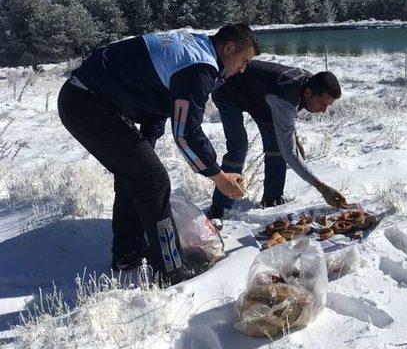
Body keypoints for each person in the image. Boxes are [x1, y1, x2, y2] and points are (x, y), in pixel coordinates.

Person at [57, 23, 259, 284]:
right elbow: (185, 132)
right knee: (153, 180)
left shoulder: (195, 48)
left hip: (88, 99)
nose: (243, 69)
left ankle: (127, 255)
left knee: (139, 176)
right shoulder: (200, 67)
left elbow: (155, 99)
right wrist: (219, 177)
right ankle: (170, 268)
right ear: (229, 48)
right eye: (244, 61)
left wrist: (146, 146)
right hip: (88, 104)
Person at [206, 60, 347, 220]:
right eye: (322, 104)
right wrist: (322, 188)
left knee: (277, 147)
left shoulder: (310, 83)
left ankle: (272, 200)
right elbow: (289, 152)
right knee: (238, 146)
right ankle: (220, 208)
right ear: (308, 93)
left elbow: (288, 118)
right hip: (228, 89)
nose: (323, 111)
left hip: (261, 99)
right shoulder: (286, 96)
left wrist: (295, 139)